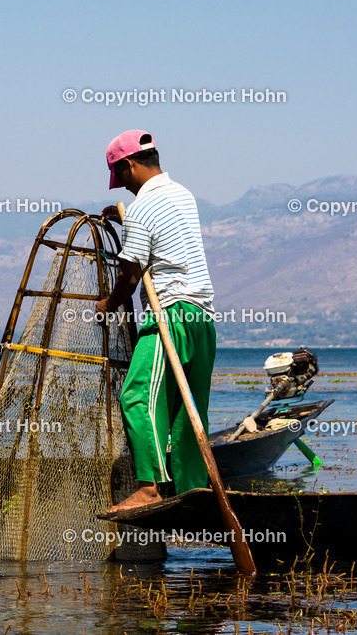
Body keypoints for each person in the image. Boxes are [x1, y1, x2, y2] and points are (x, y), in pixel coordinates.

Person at [96, 130, 217, 512]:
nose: (126, 188)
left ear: (129, 165)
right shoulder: (182, 194)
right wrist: (125, 217)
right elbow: (162, 237)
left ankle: (149, 488)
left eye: (123, 178)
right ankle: (194, 488)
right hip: (202, 317)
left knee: (135, 396)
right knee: (188, 408)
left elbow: (130, 277)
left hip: (172, 314)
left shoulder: (145, 208)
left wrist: (108, 304)